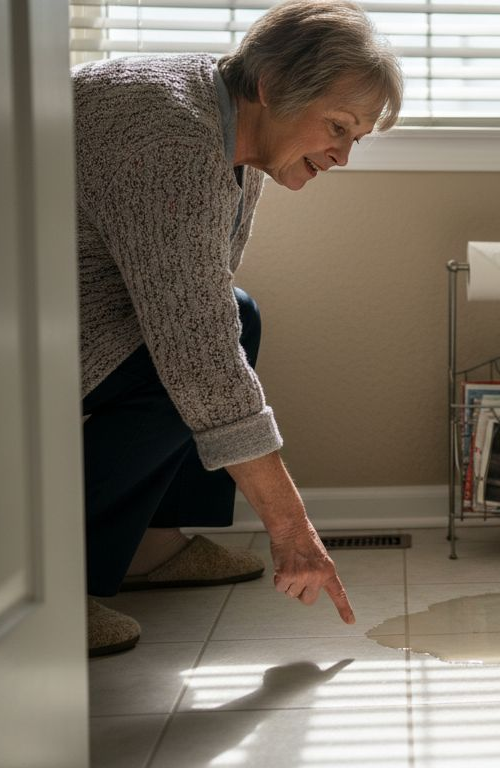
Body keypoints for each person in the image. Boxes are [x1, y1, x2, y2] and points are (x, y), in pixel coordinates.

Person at [73, 0, 402, 656]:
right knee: (200, 356)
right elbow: (198, 356)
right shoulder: (170, 135)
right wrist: (292, 530)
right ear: (273, 87)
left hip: (66, 307)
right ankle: (55, 579)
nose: (342, 155)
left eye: (356, 138)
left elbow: (203, 310)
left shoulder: (229, 130)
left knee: (236, 314)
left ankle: (146, 544)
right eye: (337, 126)